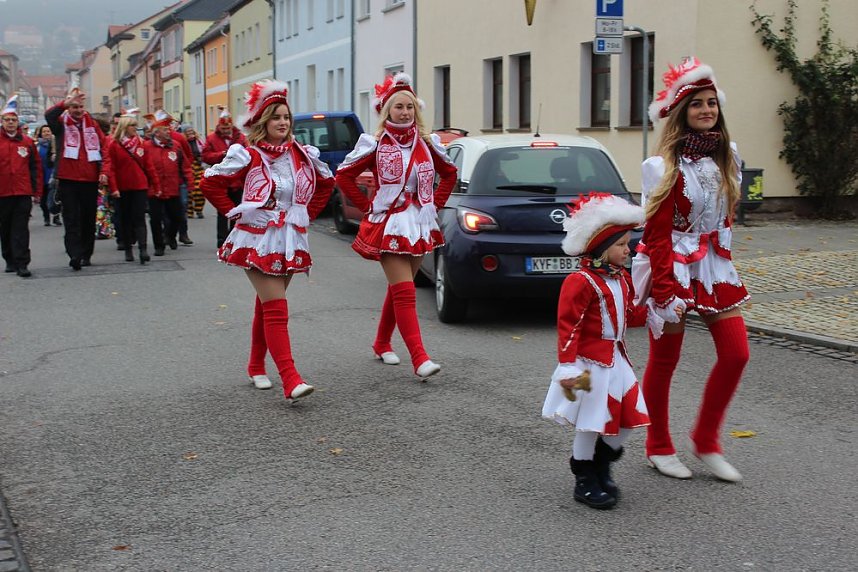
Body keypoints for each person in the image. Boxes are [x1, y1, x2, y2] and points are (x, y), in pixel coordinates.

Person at [633, 57, 750, 482]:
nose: (707, 110)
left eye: (712, 103)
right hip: (672, 267)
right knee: (665, 361)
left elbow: (727, 217)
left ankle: (706, 440)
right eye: (698, 104)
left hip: (713, 266)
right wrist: (664, 290)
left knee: (737, 353)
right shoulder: (662, 167)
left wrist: (724, 256)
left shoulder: (728, 157)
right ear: (682, 112)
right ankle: (658, 444)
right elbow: (657, 233)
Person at [200, 80, 334, 400]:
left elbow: (327, 184)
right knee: (276, 308)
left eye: (286, 117)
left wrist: (305, 216)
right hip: (255, 239)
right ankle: (290, 379)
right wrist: (237, 213)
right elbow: (210, 184)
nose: (283, 122)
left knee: (267, 306)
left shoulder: (300, 154)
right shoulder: (247, 155)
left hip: (288, 239)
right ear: (262, 121)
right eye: (276, 117)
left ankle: (255, 365)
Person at [335, 73, 457, 380]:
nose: (405, 112)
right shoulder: (374, 144)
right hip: (389, 224)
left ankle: (381, 342)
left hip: (418, 224)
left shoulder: (427, 144)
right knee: (405, 292)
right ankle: (420, 358)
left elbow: (450, 174)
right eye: (399, 106)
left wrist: (435, 204)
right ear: (386, 110)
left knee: (399, 287)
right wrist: (367, 209)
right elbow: (344, 177)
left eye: (410, 107)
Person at [541, 193, 656, 509]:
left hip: (617, 360)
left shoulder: (622, 278)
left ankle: (602, 465)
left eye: (628, 244)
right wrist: (567, 366)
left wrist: (656, 309)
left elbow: (630, 315)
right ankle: (584, 477)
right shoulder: (580, 281)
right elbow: (569, 325)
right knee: (591, 421)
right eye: (621, 245)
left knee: (629, 419)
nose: (628, 250)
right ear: (603, 248)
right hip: (587, 365)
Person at [44, 87, 111, 270]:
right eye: (74, 107)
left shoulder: (93, 124)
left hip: (89, 179)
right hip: (67, 179)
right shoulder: (60, 124)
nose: (78, 110)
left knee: (88, 219)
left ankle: (86, 253)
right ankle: (74, 254)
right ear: (68, 108)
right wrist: (63, 104)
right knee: (71, 218)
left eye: (80, 106)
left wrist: (104, 171)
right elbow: (48, 116)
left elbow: (104, 149)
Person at [106, 112, 160, 264]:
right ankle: (128, 249)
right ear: (124, 127)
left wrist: (156, 185)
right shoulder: (114, 145)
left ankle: (143, 249)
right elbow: (111, 169)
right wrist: (114, 188)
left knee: (139, 218)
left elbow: (149, 166)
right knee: (125, 219)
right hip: (122, 188)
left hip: (139, 186)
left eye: (136, 125)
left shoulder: (141, 144)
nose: (135, 128)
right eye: (132, 126)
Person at [0, 95, 42, 277]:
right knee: (5, 227)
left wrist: (36, 191)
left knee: (20, 228)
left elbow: (36, 168)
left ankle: (22, 262)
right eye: (7, 120)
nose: (10, 123)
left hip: (22, 191)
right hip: (2, 192)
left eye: (13, 120)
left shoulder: (26, 142)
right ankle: (9, 258)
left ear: (18, 122)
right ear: (2, 122)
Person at [144, 111, 193, 257]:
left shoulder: (175, 146)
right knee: (156, 219)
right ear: (157, 132)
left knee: (177, 217)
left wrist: (189, 182)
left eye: (168, 129)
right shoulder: (146, 147)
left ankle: (170, 236)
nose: (168, 132)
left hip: (173, 188)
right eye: (165, 130)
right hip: (154, 190)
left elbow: (185, 166)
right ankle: (159, 245)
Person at [202, 106, 248, 247]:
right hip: (220, 181)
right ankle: (221, 240)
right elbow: (205, 156)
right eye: (223, 128)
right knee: (222, 212)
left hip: (237, 180)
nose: (225, 130)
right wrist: (221, 154)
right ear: (219, 126)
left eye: (227, 127)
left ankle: (234, 237)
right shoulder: (211, 138)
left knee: (238, 210)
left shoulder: (241, 137)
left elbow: (248, 154)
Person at [35, 124, 60, 226]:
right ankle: (46, 217)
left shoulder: (56, 145)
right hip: (42, 175)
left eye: (48, 131)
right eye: (44, 131)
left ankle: (56, 217)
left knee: (55, 198)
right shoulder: (37, 147)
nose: (46, 133)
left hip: (53, 175)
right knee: (43, 200)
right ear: (41, 134)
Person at [180, 125, 206, 219]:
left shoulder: (198, 141)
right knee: (190, 190)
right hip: (188, 166)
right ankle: (189, 211)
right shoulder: (183, 142)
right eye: (188, 131)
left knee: (200, 188)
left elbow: (204, 151)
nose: (190, 133)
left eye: (191, 131)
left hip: (198, 166)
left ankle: (199, 209)